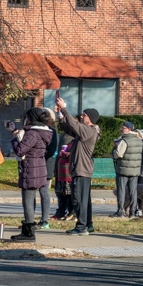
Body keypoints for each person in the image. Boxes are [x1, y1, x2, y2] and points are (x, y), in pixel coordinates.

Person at [54, 98, 100, 235]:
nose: (81, 116)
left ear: (90, 119)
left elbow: (74, 125)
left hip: (82, 169)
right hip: (81, 169)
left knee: (78, 199)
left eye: (84, 115)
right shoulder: (85, 132)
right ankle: (88, 225)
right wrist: (61, 116)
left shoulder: (89, 131)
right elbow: (69, 128)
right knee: (84, 199)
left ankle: (81, 227)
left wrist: (64, 108)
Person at [8, 108, 54, 242]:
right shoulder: (44, 131)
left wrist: (14, 139)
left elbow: (20, 150)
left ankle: (29, 232)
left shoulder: (33, 133)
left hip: (31, 168)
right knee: (30, 198)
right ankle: (28, 229)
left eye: (26, 117)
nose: (25, 120)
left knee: (27, 200)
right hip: (39, 166)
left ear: (31, 118)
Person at [113, 121, 142, 217]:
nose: (121, 129)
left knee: (121, 190)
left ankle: (121, 211)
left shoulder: (124, 140)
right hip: (135, 170)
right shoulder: (139, 140)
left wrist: (114, 150)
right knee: (133, 191)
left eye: (123, 127)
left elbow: (118, 154)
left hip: (123, 169)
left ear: (129, 129)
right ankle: (133, 212)